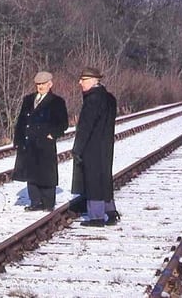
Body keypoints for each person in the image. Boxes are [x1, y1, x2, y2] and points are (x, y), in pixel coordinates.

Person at [12, 71, 69, 211]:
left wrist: (53, 134)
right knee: (31, 173)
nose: (40, 87)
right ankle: (35, 202)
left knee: (46, 173)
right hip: (28, 143)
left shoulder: (57, 101)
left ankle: (48, 203)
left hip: (45, 143)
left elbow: (63, 123)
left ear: (50, 84)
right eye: (38, 84)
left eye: (43, 84)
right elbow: (21, 121)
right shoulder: (28, 99)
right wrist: (18, 139)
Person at [71, 67, 118, 227]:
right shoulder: (109, 98)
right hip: (105, 145)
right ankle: (110, 212)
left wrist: (77, 148)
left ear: (93, 81)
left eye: (83, 80)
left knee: (93, 181)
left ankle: (96, 217)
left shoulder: (92, 99)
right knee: (104, 178)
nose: (80, 83)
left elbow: (85, 127)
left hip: (92, 146)